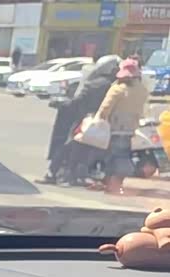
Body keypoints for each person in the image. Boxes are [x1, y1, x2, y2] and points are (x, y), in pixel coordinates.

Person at [37, 55, 119, 186]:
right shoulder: (114, 85)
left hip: (85, 121)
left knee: (68, 147)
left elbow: (78, 101)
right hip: (103, 122)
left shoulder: (95, 84)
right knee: (85, 150)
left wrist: (61, 104)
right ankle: (74, 175)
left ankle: (55, 174)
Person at [92, 57, 150, 195]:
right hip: (131, 128)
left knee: (112, 157)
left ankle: (110, 183)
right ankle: (116, 182)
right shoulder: (142, 90)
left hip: (114, 128)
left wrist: (98, 121)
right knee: (123, 154)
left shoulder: (117, 89)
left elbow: (104, 109)